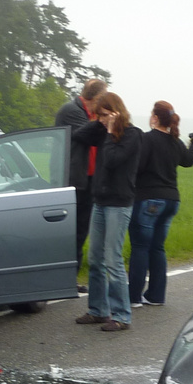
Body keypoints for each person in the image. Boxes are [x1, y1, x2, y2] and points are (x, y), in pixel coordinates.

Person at [72, 92, 141, 331]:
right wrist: (100, 125)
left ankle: (122, 315)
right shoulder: (102, 131)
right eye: (97, 115)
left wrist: (111, 131)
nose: (100, 119)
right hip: (99, 201)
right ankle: (98, 310)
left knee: (113, 259)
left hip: (119, 204)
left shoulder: (132, 136)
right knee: (95, 259)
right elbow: (79, 135)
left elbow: (112, 160)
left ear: (115, 111)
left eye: (103, 115)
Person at [130, 101, 193, 306]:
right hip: (172, 200)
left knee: (140, 247)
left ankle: (133, 296)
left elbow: (138, 167)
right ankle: (155, 295)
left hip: (149, 200)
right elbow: (188, 160)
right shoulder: (175, 141)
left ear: (154, 118)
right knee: (157, 247)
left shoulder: (146, 139)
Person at [55, 78, 108, 288]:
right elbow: (86, 136)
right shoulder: (71, 110)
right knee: (68, 231)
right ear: (95, 98)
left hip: (90, 179)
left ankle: (70, 278)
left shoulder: (93, 113)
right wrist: (105, 123)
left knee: (81, 230)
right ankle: (62, 278)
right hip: (73, 179)